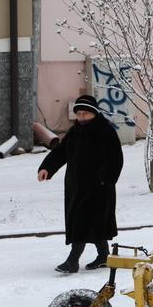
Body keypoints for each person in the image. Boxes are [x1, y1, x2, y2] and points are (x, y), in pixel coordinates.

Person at [38, 94, 124, 273]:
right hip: (76, 187)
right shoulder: (75, 131)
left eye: (85, 113)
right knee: (93, 223)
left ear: (94, 113)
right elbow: (61, 152)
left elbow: (115, 158)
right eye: (79, 114)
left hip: (98, 188)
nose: (82, 117)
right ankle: (103, 256)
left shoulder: (105, 131)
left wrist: (104, 179)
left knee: (82, 221)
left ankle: (73, 260)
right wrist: (47, 167)